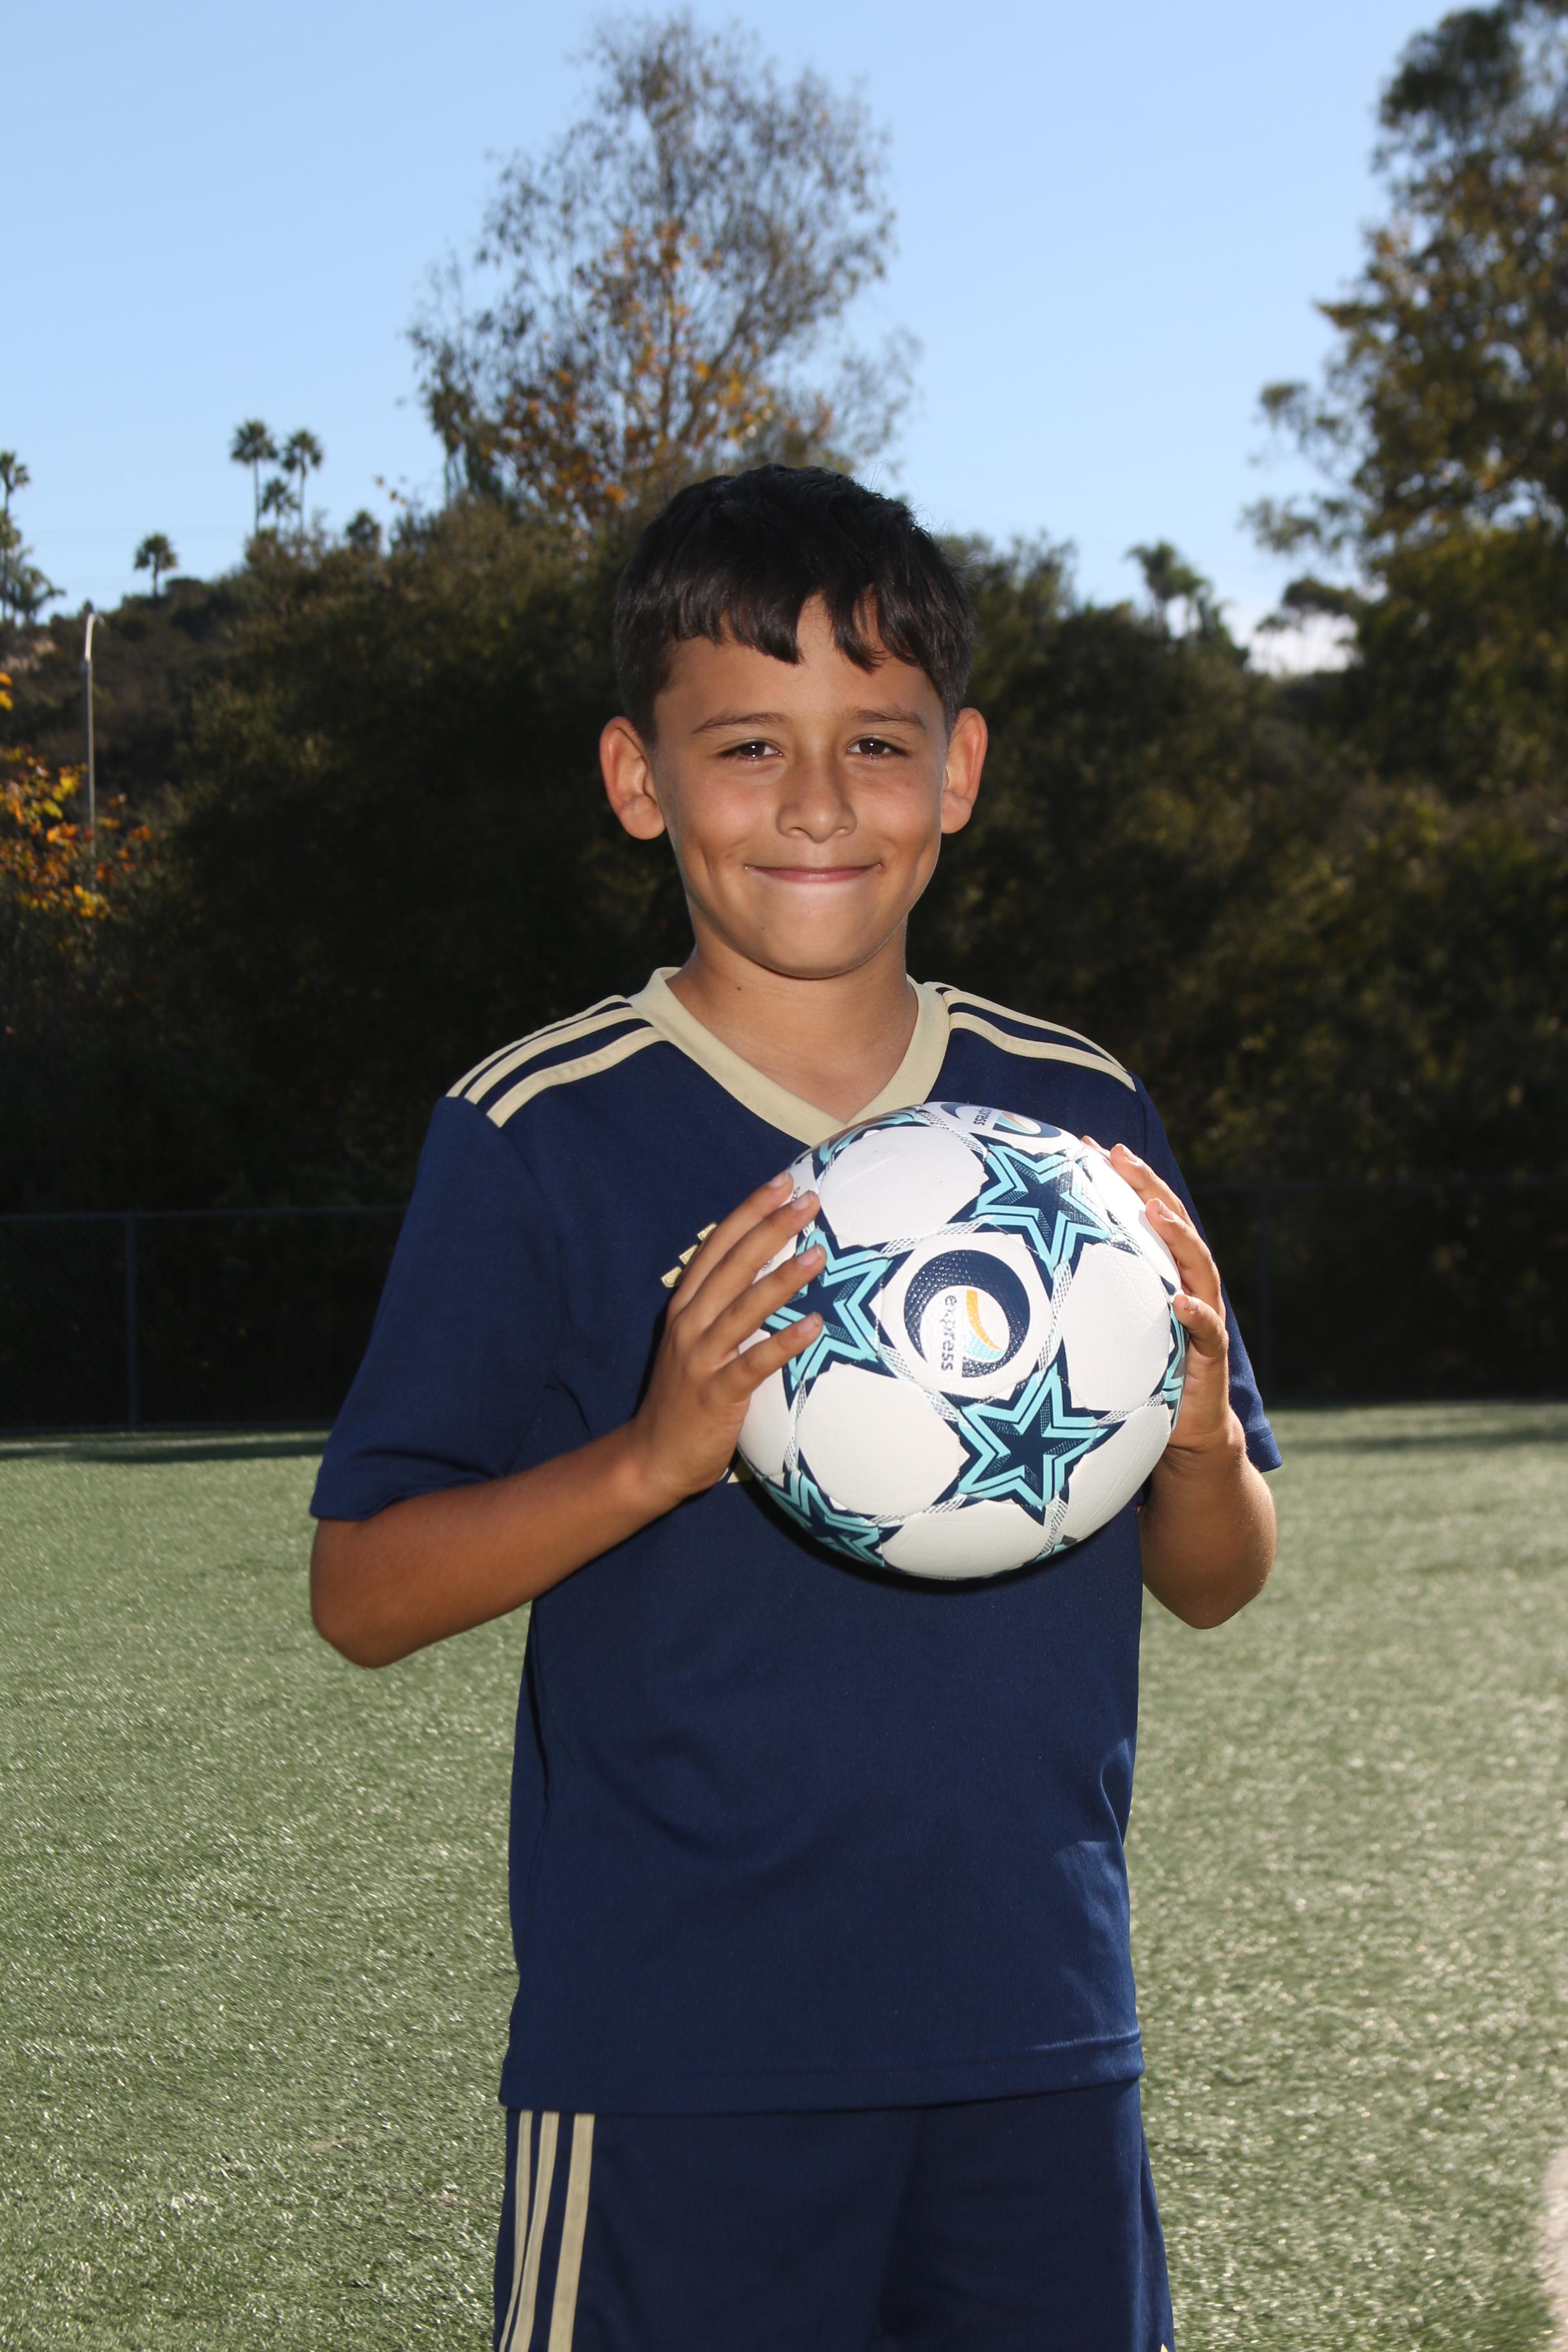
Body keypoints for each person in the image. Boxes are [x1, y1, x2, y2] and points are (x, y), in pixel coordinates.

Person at [309, 465, 1279, 2352]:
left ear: (961, 769)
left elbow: (1220, 1577)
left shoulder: (1081, 1125)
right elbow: (364, 1593)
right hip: (676, 2064)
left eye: (878, 743)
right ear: (639, 777)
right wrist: (649, 1458)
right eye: (749, 744)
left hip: (1037, 2039)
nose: (819, 802)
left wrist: (1197, 1438)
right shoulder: (539, 1130)